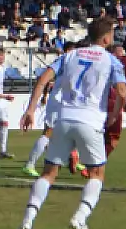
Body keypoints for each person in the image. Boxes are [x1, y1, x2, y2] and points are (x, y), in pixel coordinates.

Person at [12, 17, 126, 229]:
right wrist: (113, 115)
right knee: (97, 174)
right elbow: (122, 92)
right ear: (105, 38)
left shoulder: (70, 55)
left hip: (64, 119)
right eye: (112, 33)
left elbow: (43, 79)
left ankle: (27, 221)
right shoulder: (112, 61)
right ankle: (80, 217)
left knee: (48, 174)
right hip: (90, 121)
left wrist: (30, 110)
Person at [22, 42, 84, 177]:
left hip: (67, 100)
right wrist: (43, 97)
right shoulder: (64, 61)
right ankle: (30, 164)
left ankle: (72, 157)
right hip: (59, 101)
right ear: (68, 50)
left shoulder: (75, 62)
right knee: (48, 132)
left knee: (75, 128)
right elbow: (44, 80)